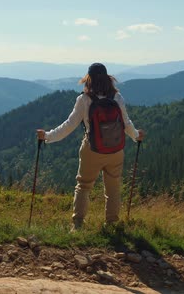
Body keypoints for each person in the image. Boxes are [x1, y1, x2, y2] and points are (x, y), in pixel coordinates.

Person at [36, 63, 144, 231]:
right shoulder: (117, 98)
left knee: (84, 186)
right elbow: (126, 124)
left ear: (89, 79)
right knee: (113, 189)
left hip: (92, 150)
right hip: (115, 150)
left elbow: (69, 126)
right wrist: (137, 136)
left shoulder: (84, 99)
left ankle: (77, 225)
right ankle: (112, 225)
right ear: (108, 78)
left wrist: (47, 136)